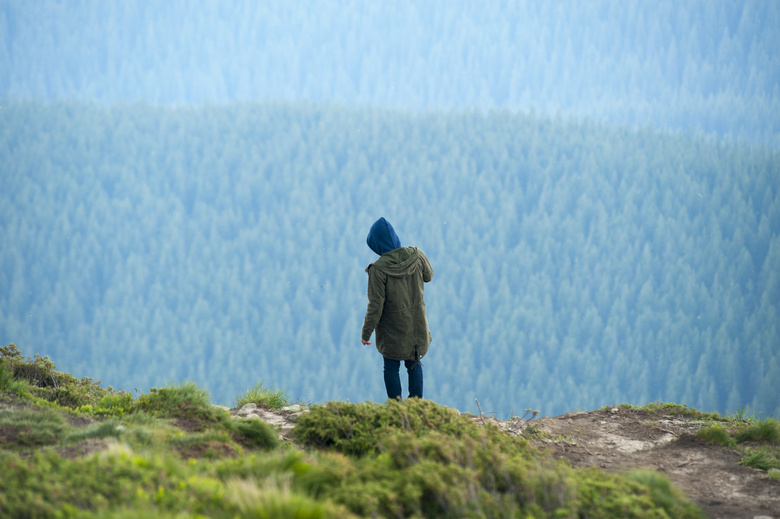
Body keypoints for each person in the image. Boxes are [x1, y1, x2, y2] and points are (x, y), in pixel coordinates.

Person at [361, 217, 433, 400]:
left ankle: (395, 407)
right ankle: (417, 405)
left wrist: (366, 333)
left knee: (391, 367)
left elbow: (376, 306)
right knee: (414, 363)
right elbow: (429, 276)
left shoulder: (378, 270)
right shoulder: (416, 254)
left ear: (377, 245)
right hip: (417, 326)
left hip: (392, 331)